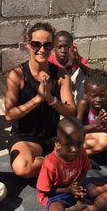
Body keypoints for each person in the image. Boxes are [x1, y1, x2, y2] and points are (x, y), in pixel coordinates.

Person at [5, 23, 76, 178]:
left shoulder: (62, 75)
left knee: (99, 141)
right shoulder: (17, 75)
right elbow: (9, 116)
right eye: (36, 44)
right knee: (22, 167)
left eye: (47, 45)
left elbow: (71, 112)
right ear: (29, 45)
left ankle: (56, 160)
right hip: (26, 137)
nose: (42, 50)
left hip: (53, 136)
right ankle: (59, 161)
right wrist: (37, 99)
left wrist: (51, 99)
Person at [37, 117, 107, 211]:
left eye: (79, 144)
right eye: (69, 145)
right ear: (58, 142)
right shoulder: (50, 162)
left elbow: (85, 170)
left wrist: (78, 185)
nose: (74, 149)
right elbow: (43, 189)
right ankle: (81, 206)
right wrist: (68, 190)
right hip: (57, 193)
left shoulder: (82, 152)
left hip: (77, 187)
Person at [48, 31, 89, 103]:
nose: (63, 50)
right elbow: (53, 84)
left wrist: (79, 63)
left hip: (74, 88)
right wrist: (68, 66)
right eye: (59, 47)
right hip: (58, 92)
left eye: (67, 47)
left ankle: (79, 106)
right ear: (54, 48)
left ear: (72, 48)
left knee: (82, 73)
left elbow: (93, 75)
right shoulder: (50, 60)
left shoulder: (75, 57)